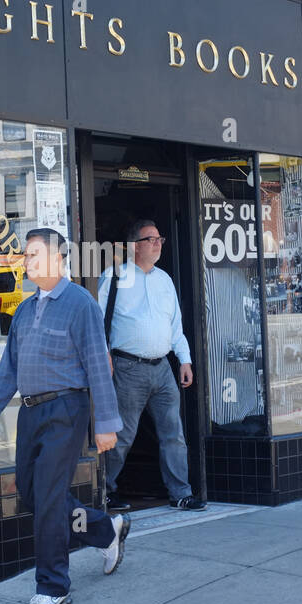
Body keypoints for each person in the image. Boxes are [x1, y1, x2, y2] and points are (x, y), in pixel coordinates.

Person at [0, 227, 130, 604]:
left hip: (66, 410)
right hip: (30, 412)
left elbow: (98, 365)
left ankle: (53, 586)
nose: (27, 262)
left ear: (59, 258)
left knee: (46, 497)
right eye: (25, 255)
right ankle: (105, 531)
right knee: (32, 493)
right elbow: (9, 366)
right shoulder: (25, 309)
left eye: (34, 254)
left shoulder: (81, 304)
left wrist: (106, 424)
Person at [97, 219, 205, 511]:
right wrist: (103, 355)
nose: (158, 243)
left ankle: (180, 493)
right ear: (134, 247)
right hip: (127, 368)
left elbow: (175, 326)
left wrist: (185, 360)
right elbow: (96, 323)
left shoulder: (165, 280)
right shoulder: (114, 277)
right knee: (121, 437)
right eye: (151, 239)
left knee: (174, 434)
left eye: (160, 239)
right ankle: (105, 492)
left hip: (163, 369)